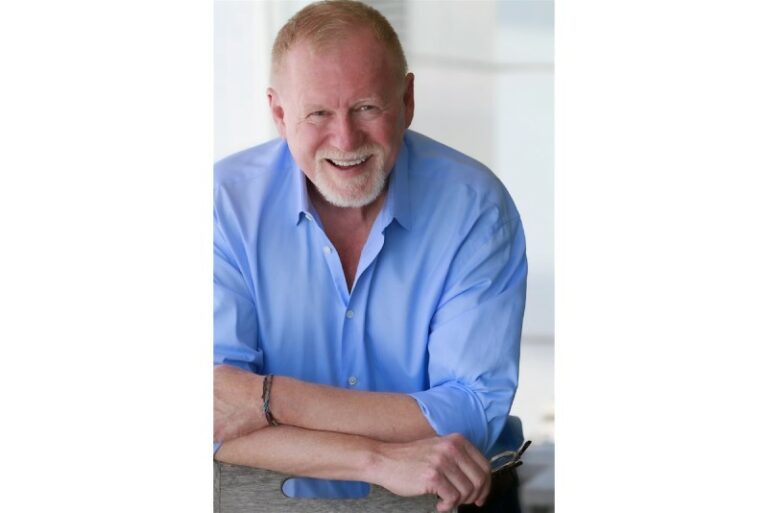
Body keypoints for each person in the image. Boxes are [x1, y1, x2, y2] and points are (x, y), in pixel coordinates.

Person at [213, 1, 527, 511]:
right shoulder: (222, 205)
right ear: (280, 114)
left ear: (406, 100)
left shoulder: (475, 208)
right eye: (318, 113)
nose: (346, 139)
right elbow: (210, 415)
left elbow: (471, 412)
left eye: (366, 108)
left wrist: (266, 399)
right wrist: (376, 460)